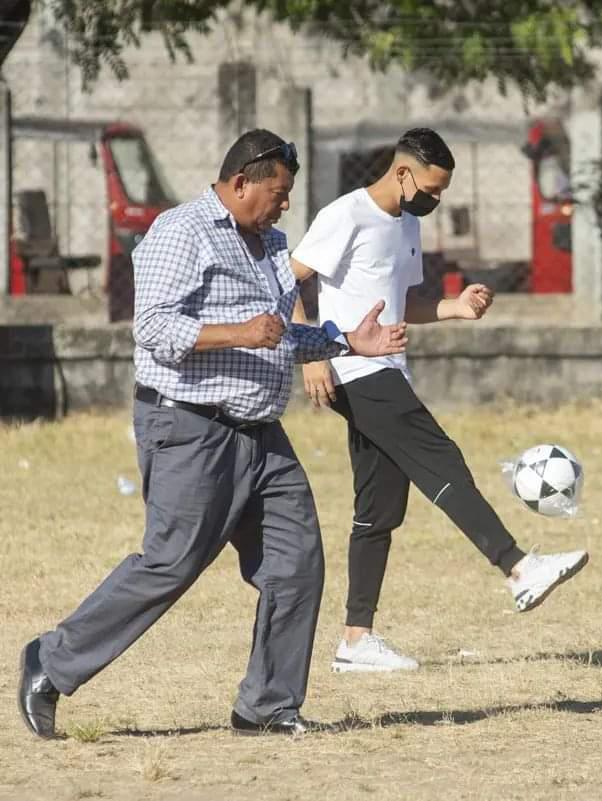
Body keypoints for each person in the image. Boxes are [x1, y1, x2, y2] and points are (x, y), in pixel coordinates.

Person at [17, 129, 407, 739]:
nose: (284, 205)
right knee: (171, 562)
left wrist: (345, 341)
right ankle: (50, 662)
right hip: (190, 426)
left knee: (297, 563)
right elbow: (152, 327)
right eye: (277, 193)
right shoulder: (181, 231)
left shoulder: (271, 244)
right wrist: (237, 334)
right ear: (240, 182)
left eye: (289, 194)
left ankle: (268, 704)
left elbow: (275, 333)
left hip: (262, 436)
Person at [290, 128, 589, 673]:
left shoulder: (406, 224)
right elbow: (287, 281)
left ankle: (356, 641)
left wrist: (455, 308)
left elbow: (407, 303)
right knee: (442, 460)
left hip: (384, 366)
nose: (435, 200)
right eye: (430, 187)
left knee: (378, 508)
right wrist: (311, 355)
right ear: (403, 174)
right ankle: (519, 569)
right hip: (354, 368)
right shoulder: (345, 215)